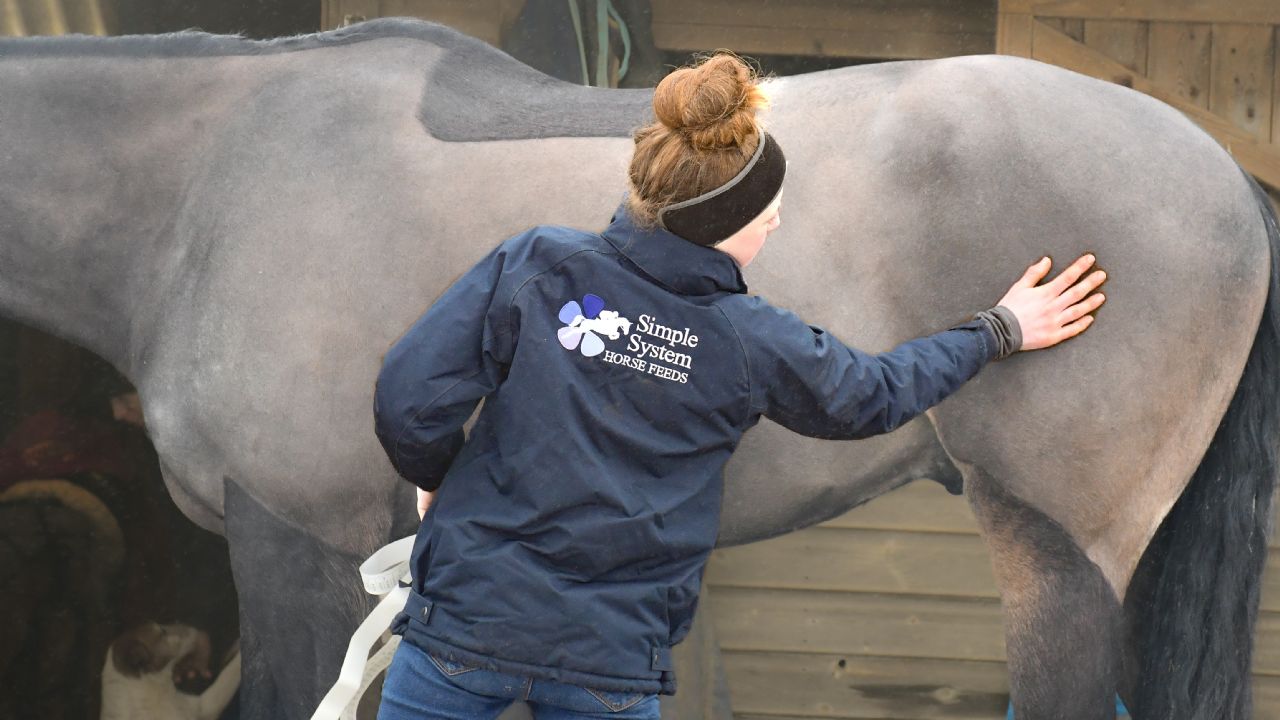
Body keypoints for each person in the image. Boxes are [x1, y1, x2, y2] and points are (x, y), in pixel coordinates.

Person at [372, 52, 1106, 720]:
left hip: (461, 629)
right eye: (765, 209)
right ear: (722, 227)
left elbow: (408, 400)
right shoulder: (750, 339)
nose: (778, 217)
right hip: (609, 664)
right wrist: (998, 330)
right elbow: (871, 394)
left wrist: (438, 479)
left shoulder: (535, 264)